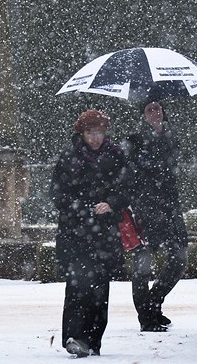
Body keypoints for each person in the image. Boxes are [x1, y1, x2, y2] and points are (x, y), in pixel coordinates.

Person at [49, 109, 129, 357]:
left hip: (104, 233)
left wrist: (111, 203)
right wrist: (82, 208)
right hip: (76, 233)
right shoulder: (69, 158)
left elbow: (128, 188)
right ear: (81, 133)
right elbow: (57, 194)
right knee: (77, 287)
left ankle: (94, 340)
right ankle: (74, 337)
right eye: (90, 132)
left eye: (100, 132)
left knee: (100, 289)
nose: (95, 137)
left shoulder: (116, 157)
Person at [122, 100, 189, 332]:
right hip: (144, 210)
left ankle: (152, 305)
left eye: (157, 108)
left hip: (170, 208)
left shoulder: (171, 138)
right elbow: (132, 175)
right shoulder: (134, 141)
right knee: (143, 264)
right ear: (143, 114)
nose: (154, 112)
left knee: (179, 259)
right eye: (149, 109)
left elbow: (172, 172)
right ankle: (147, 318)